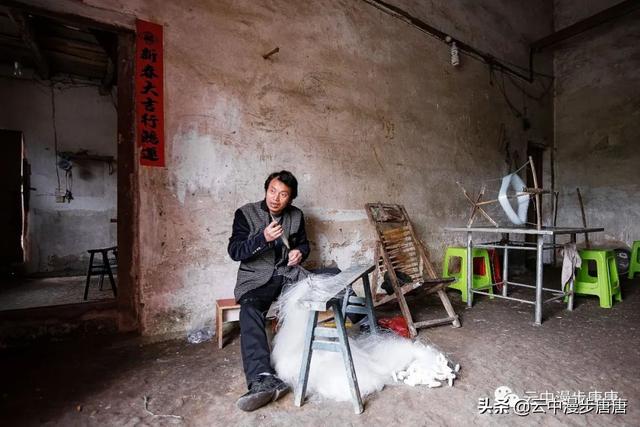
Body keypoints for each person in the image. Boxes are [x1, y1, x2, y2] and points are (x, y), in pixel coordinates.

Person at [227, 170, 310, 412]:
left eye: (283, 194)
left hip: (286, 274)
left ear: (290, 198)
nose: (276, 198)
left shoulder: (296, 215)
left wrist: (300, 253)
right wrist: (262, 237)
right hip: (256, 280)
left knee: (324, 284)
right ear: (266, 190)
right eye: (272, 191)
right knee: (250, 310)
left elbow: (304, 244)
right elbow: (235, 251)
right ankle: (262, 377)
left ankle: (363, 322)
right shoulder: (246, 213)